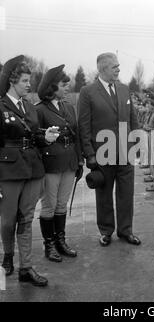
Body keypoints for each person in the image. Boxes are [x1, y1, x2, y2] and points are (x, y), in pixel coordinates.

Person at [0, 55, 59, 286]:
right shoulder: (1, 105)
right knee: (8, 220)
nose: (29, 85)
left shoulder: (29, 107)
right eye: (24, 80)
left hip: (33, 168)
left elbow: (33, 136)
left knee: (26, 218)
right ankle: (7, 256)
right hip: (8, 170)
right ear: (13, 81)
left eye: (29, 80)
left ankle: (26, 267)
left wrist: (45, 137)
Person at [78, 52, 141, 247]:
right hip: (102, 153)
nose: (119, 69)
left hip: (125, 152)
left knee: (126, 194)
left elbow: (133, 119)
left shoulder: (124, 89)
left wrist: (136, 144)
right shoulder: (88, 92)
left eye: (118, 66)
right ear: (103, 68)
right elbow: (84, 126)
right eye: (115, 67)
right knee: (104, 195)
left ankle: (126, 231)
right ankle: (106, 231)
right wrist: (89, 154)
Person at [36, 65, 83, 262]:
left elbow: (77, 134)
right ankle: (49, 245)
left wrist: (79, 159)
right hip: (51, 164)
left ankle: (61, 241)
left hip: (69, 162)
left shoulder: (68, 107)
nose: (67, 87)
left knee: (61, 204)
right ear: (52, 86)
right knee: (49, 205)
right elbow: (36, 139)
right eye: (63, 84)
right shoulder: (39, 110)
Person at [143, 93, 154, 192]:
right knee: (152, 161)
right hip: (151, 137)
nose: (148, 105)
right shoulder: (152, 112)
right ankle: (153, 178)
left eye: (149, 103)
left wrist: (149, 128)